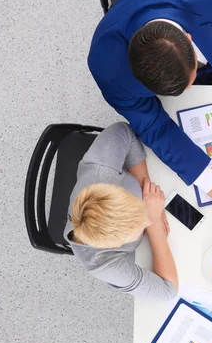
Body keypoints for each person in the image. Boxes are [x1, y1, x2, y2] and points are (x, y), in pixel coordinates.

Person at [88, 0, 212, 223]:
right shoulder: (107, 67)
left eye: (189, 81)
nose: (189, 90)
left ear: (189, 38)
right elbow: (155, 127)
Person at [64, 122, 178, 300]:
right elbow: (167, 292)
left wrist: (144, 185)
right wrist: (154, 223)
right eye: (141, 225)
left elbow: (123, 131)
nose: (145, 219)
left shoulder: (101, 170)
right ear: (117, 244)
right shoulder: (103, 264)